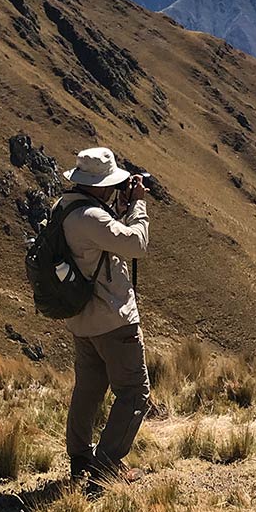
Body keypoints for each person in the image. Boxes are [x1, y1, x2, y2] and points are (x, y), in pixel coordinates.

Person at [60, 147, 151, 491]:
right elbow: (136, 244)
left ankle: (81, 458)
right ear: (100, 185)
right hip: (112, 321)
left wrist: (121, 212)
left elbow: (104, 244)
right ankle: (106, 465)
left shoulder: (67, 209)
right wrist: (138, 206)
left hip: (82, 321)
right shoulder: (91, 218)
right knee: (135, 392)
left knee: (89, 389)